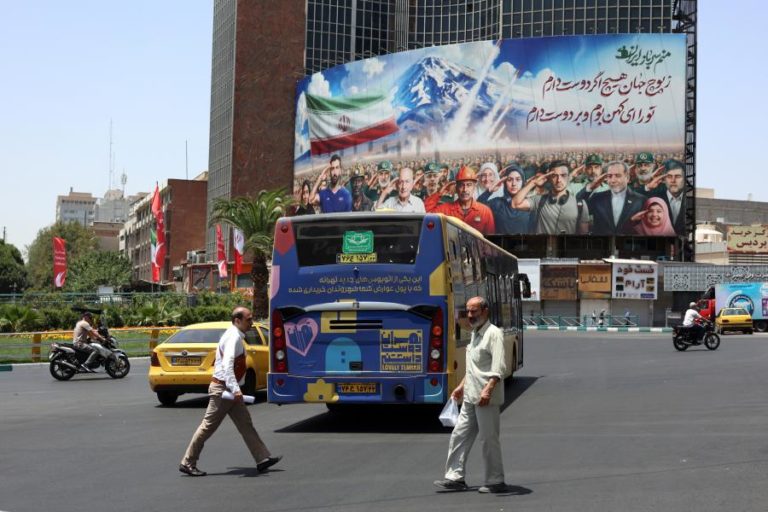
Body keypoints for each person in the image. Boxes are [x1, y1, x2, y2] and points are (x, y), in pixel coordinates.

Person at [179, 307, 281, 477]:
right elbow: (227, 366)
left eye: (251, 318)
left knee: (245, 424)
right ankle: (187, 462)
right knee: (207, 427)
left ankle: (262, 459)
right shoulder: (233, 337)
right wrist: (235, 390)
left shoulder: (234, 335)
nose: (251, 322)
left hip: (229, 390)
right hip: (223, 390)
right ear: (237, 321)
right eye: (248, 319)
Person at [434, 296, 507, 494]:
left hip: (485, 397)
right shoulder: (475, 333)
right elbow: (473, 368)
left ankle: (496, 480)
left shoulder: (494, 334)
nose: (470, 315)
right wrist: (460, 387)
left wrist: (489, 388)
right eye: (468, 311)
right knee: (459, 434)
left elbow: (498, 367)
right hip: (470, 394)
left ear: (485, 311)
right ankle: (455, 477)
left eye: (474, 311)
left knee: (488, 439)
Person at [512, 160, 590, 235]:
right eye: (554, 176)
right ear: (549, 177)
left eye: (563, 175)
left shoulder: (580, 204)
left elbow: (583, 235)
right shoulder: (538, 200)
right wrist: (533, 183)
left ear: (569, 177)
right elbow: (515, 204)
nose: (559, 180)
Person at [577, 160, 644, 236]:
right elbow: (577, 207)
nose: (613, 180)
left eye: (618, 176)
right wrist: (590, 187)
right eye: (609, 176)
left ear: (627, 178)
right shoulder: (597, 198)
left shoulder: (640, 200)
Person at [424, 166, 496, 235]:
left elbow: (490, 240)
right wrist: (439, 193)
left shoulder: (485, 212)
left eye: (469, 185)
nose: (465, 190)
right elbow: (426, 215)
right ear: (456, 188)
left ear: (474, 187)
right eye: (461, 185)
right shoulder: (445, 210)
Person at [486, 165, 530, 234]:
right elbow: (477, 209)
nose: (514, 184)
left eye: (518, 179)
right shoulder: (496, 203)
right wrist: (489, 191)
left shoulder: (530, 204)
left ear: (523, 182)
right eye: (509, 180)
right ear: (504, 182)